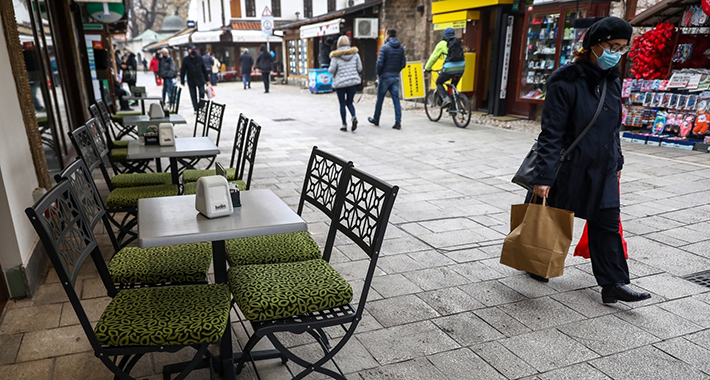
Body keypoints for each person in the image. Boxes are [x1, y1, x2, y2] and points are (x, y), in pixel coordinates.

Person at [529, 17, 650, 304]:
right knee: (551, 216)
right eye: (612, 46)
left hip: (604, 166)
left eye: (622, 48)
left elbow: (612, 127)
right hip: (571, 166)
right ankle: (536, 262)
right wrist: (543, 176)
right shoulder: (565, 80)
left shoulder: (613, 79)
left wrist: (617, 161)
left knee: (607, 220)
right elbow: (552, 132)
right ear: (594, 45)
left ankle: (613, 283)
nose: (617, 53)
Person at [368, 29, 406, 130]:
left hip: (385, 77)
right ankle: (398, 121)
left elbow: (379, 63)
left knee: (380, 99)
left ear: (387, 36)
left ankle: (376, 118)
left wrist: (379, 73)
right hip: (395, 77)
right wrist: (396, 70)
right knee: (396, 100)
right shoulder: (401, 48)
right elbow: (403, 63)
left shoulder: (384, 48)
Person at [425, 27, 466, 107]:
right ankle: (453, 109)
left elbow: (433, 57)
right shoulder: (458, 42)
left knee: (439, 82)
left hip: (449, 68)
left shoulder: (442, 44)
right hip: (461, 67)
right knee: (453, 86)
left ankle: (445, 98)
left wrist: (427, 68)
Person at [329, 35, 362, 132]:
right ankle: (353, 116)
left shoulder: (335, 56)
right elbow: (360, 68)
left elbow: (331, 70)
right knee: (350, 102)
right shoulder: (355, 54)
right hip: (353, 82)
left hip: (340, 83)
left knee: (342, 104)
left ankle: (344, 124)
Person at [180, 44, 209, 113]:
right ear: (188, 51)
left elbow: (204, 69)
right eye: (192, 50)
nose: (193, 51)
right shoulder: (186, 60)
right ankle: (195, 108)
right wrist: (182, 81)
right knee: (193, 95)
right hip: (191, 79)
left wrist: (207, 80)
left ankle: (201, 107)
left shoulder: (199, 58)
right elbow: (183, 70)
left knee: (202, 93)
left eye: (194, 50)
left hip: (200, 78)